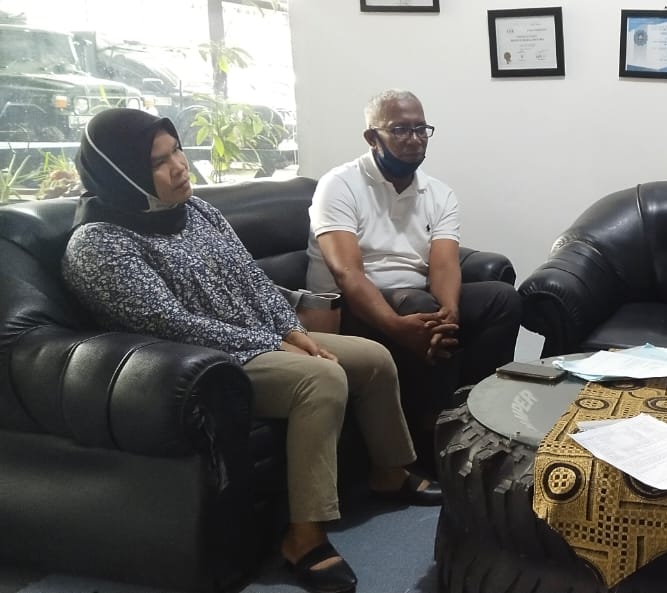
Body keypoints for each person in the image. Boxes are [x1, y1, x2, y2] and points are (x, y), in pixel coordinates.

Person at [61, 108, 442, 593]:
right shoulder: (99, 243)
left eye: (177, 150)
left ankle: (390, 471)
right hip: (202, 365)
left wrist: (293, 332)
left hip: (261, 339)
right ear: (121, 173)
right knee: (321, 380)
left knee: (371, 358)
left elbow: (254, 281)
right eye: (159, 162)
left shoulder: (196, 211)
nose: (179, 167)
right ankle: (304, 537)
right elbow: (170, 324)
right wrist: (272, 344)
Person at [306, 89, 521, 468]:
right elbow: (347, 272)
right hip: (353, 305)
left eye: (421, 129)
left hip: (416, 296)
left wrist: (450, 311)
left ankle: (476, 417)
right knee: (420, 307)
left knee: (501, 299)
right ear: (372, 137)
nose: (414, 139)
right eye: (400, 129)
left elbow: (444, 265)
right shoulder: (339, 185)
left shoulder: (438, 193)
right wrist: (396, 326)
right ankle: (431, 440)